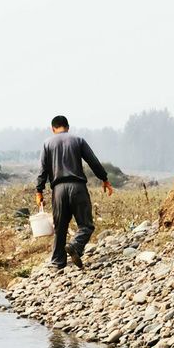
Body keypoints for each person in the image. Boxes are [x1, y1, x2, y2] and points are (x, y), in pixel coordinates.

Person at [36, 115, 113, 270]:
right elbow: (93, 161)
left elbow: (42, 169)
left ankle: (58, 262)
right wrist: (104, 178)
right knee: (86, 225)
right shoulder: (78, 140)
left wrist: (39, 191)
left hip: (58, 190)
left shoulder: (47, 143)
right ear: (68, 127)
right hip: (77, 187)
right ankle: (75, 246)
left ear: (53, 128)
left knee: (60, 227)